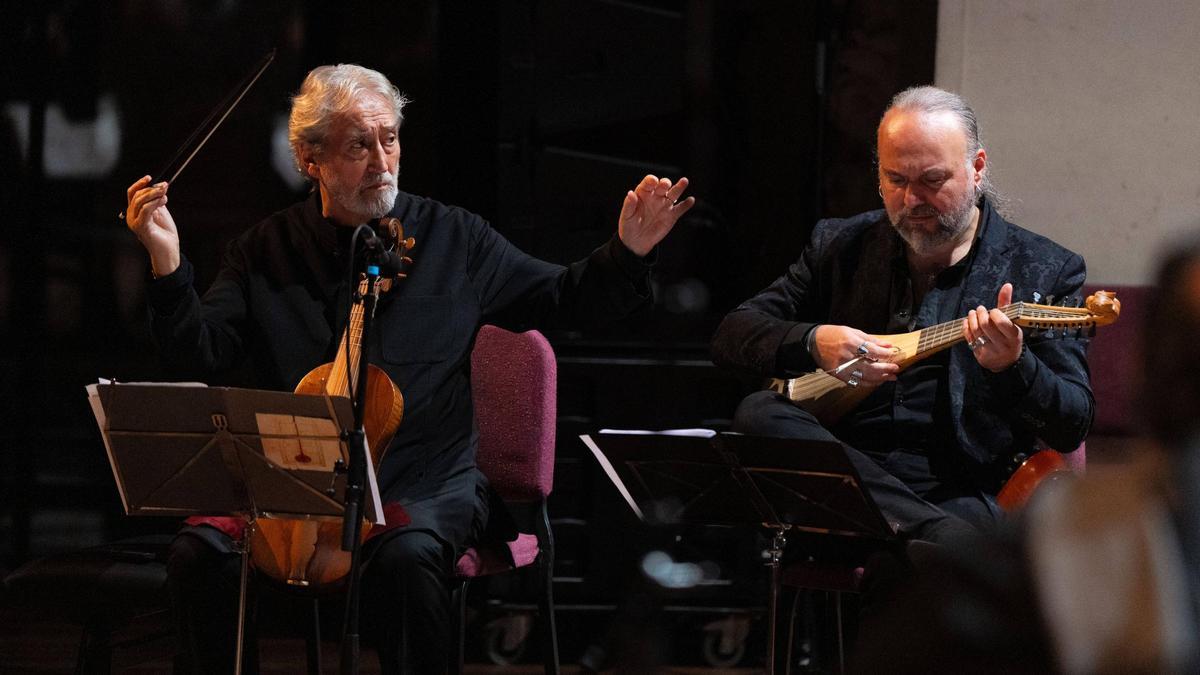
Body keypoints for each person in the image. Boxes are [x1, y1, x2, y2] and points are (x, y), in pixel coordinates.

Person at [124, 63, 694, 674]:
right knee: (198, 554)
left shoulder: (455, 238)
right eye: (357, 146)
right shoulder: (264, 249)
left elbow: (563, 299)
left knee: (406, 560)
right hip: (294, 487)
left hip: (424, 481)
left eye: (389, 139)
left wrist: (629, 250)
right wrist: (167, 264)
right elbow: (200, 354)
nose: (381, 161)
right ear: (309, 160)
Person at [710, 85, 1092, 545]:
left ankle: (917, 536)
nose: (912, 200)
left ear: (977, 169)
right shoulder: (838, 246)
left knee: (895, 566)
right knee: (758, 412)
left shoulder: (1043, 268)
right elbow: (732, 336)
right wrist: (815, 340)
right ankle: (935, 537)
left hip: (960, 482)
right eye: (896, 180)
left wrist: (1014, 367)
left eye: (932, 180)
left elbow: (1071, 424)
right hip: (850, 468)